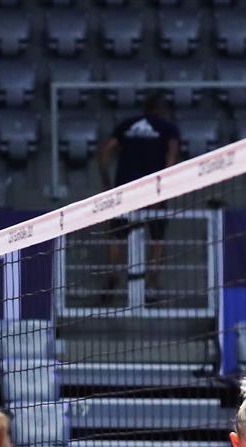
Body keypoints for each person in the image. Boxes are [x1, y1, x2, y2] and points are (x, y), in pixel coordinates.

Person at [97, 92, 180, 295]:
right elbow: (172, 157)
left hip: (124, 190)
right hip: (153, 191)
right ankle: (152, 285)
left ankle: (113, 276)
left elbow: (104, 153)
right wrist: (164, 188)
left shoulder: (127, 125)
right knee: (157, 238)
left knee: (117, 236)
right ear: (162, 110)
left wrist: (107, 183)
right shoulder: (168, 128)